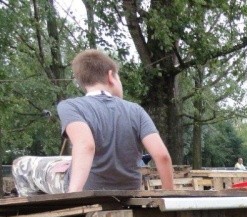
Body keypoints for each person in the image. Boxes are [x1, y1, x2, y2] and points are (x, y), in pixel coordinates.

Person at [12, 49, 173, 196]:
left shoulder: (71, 106)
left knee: (21, 164)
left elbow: (85, 145)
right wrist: (169, 197)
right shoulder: (136, 110)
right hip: (129, 190)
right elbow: (162, 156)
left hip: (88, 190)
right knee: (66, 160)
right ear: (111, 76)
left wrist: (73, 196)